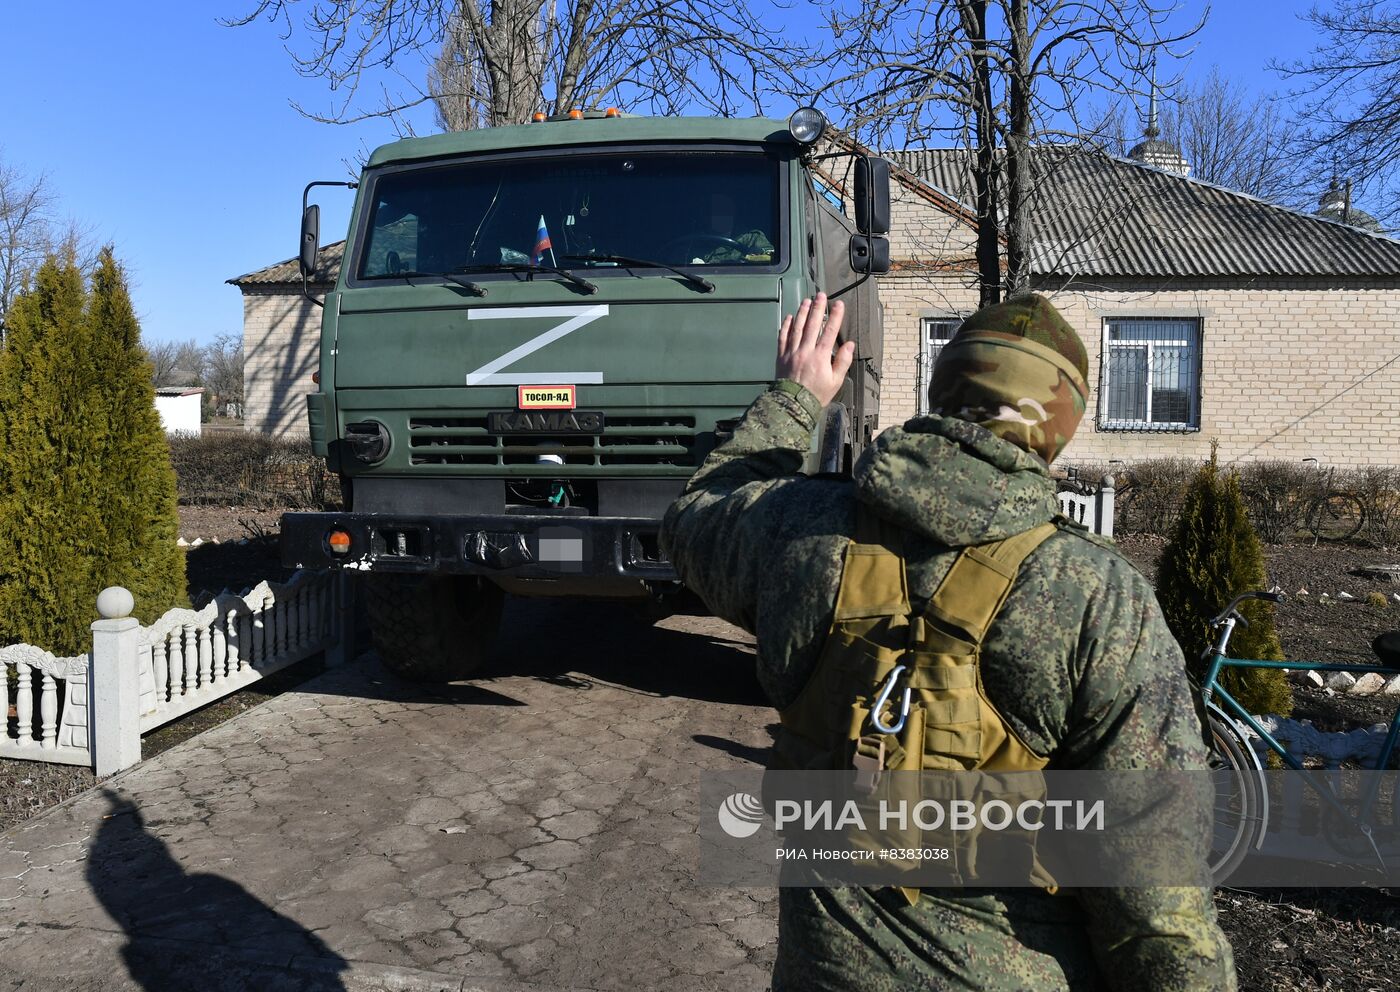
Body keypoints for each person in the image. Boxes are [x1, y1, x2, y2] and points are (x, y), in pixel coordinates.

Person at [660, 292, 1236, 991]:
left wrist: (794, 399)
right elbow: (1156, 895)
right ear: (1061, 424)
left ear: (945, 386)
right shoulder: (1095, 594)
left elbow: (694, 518)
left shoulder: (797, 532)